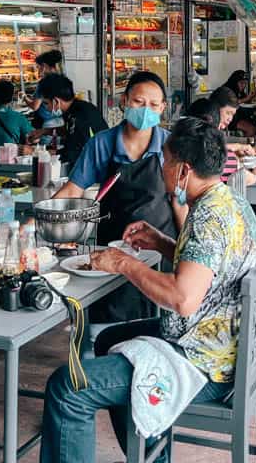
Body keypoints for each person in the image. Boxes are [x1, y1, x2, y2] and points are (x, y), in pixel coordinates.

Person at [39, 117, 256, 463]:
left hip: (203, 361)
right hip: (222, 340)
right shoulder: (227, 200)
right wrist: (161, 242)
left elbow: (183, 298)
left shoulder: (208, 218)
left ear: (184, 170)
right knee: (108, 340)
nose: (160, 167)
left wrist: (124, 263)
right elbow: (209, 268)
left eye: (166, 160)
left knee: (67, 387)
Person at [52, 71, 173, 322]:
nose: (145, 109)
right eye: (139, 102)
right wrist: (40, 219)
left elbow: (181, 202)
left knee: (156, 321)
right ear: (125, 101)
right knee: (108, 321)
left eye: (153, 104)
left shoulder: (169, 147)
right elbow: (74, 190)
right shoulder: (103, 144)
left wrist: (182, 252)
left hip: (160, 250)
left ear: (163, 108)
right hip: (111, 247)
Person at [186, 97, 256, 229]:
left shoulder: (177, 150)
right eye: (227, 113)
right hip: (217, 221)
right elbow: (246, 177)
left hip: (187, 218)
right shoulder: (222, 158)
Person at [34, 73, 108, 166]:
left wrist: (37, 153)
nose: (46, 108)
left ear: (56, 101)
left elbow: (73, 154)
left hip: (96, 166)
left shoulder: (82, 114)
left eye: (46, 103)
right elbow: (69, 130)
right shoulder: (74, 108)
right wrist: (44, 131)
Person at [27, 50, 65, 128]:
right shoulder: (63, 79)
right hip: (61, 121)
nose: (38, 70)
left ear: (44, 66)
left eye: (38, 67)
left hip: (47, 123)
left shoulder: (43, 83)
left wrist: (24, 97)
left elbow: (35, 106)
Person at [219, 70, 256, 136]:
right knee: (251, 128)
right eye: (241, 83)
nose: (243, 85)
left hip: (238, 117)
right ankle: (245, 145)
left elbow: (245, 100)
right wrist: (247, 98)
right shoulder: (227, 90)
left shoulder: (239, 91)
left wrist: (252, 97)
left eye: (245, 83)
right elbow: (231, 102)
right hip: (228, 119)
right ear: (235, 82)